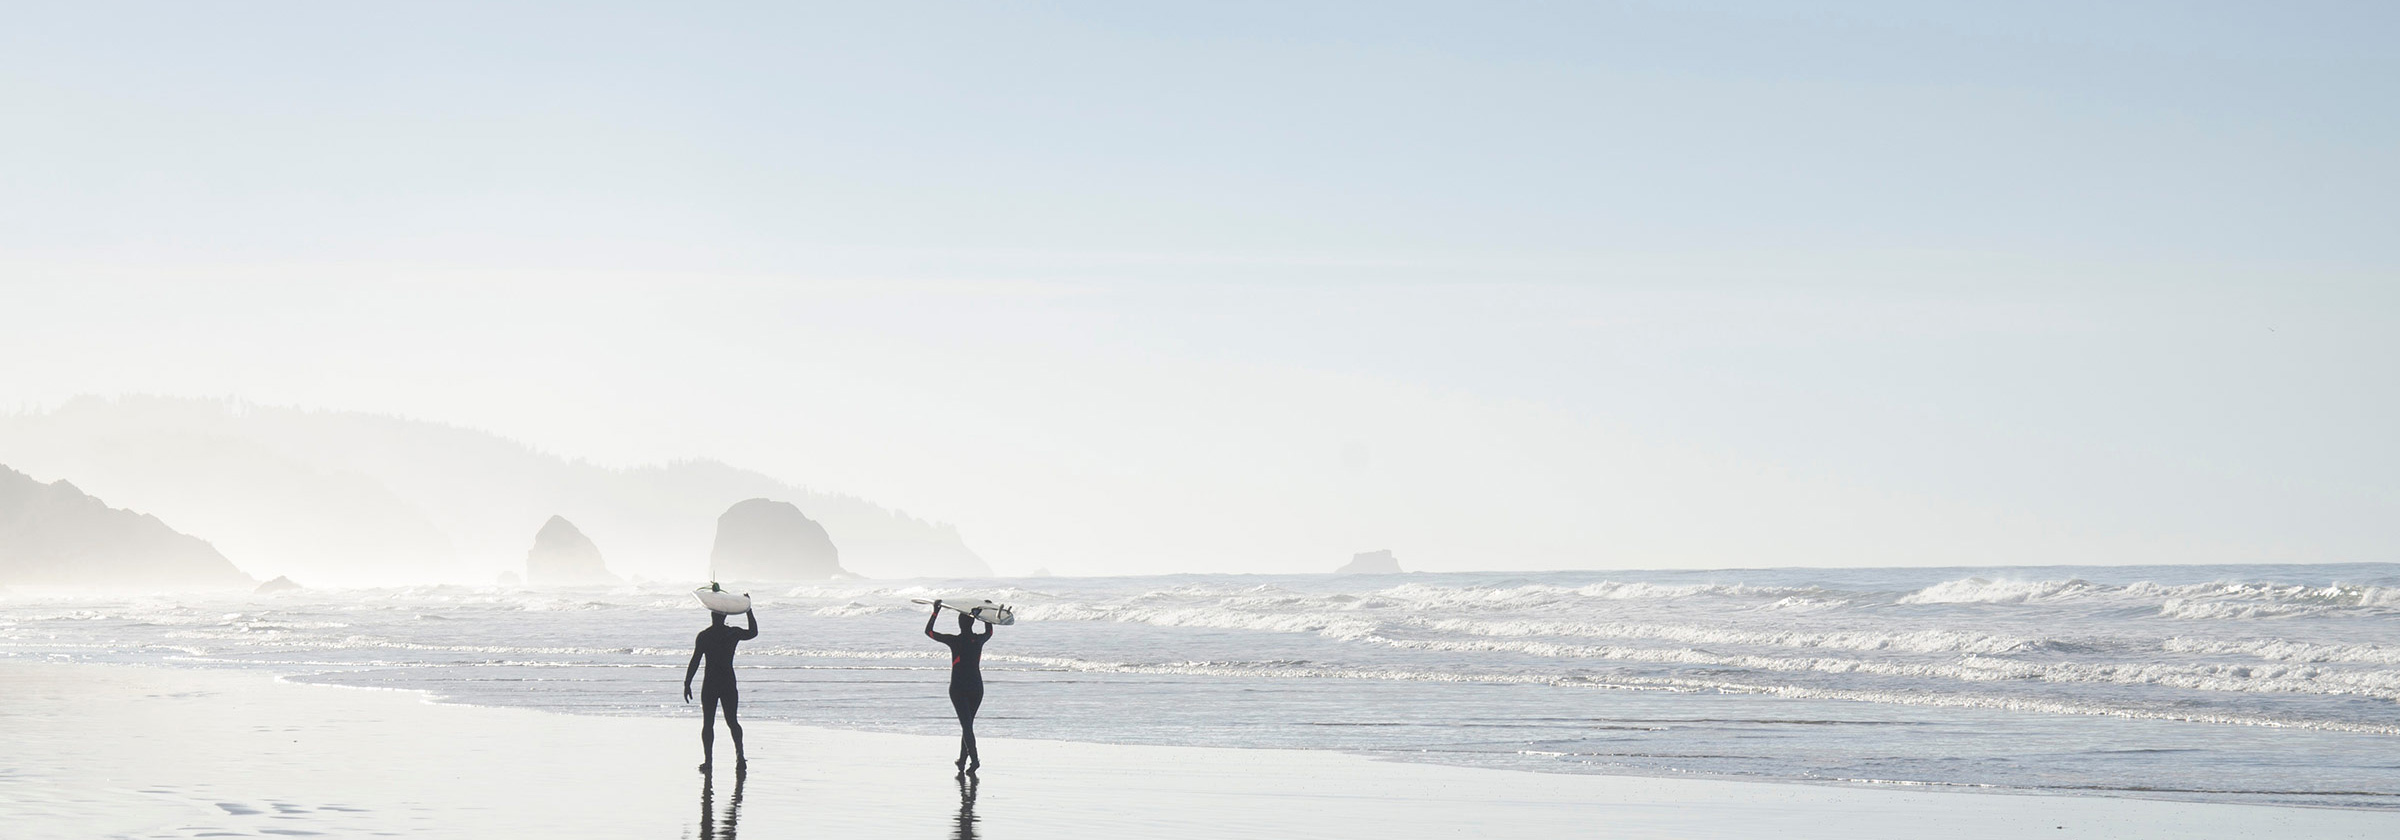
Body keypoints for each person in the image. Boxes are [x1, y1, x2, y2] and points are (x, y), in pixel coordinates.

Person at [684, 601, 758, 773]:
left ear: (712, 616)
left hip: (710, 682)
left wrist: (687, 682)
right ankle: (740, 757)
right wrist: (748, 609)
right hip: (728, 681)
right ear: (725, 616)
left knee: (708, 723)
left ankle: (708, 762)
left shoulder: (705, 636)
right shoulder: (732, 633)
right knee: (732, 721)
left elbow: (695, 660)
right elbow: (753, 632)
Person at [924, 599, 993, 776]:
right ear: (972, 622)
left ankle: (975, 760)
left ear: (959, 624)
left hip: (959, 687)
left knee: (966, 725)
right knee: (968, 725)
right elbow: (990, 630)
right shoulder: (978, 640)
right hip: (977, 687)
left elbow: (929, 632)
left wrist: (935, 611)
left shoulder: (954, 641)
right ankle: (963, 760)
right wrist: (987, 612)